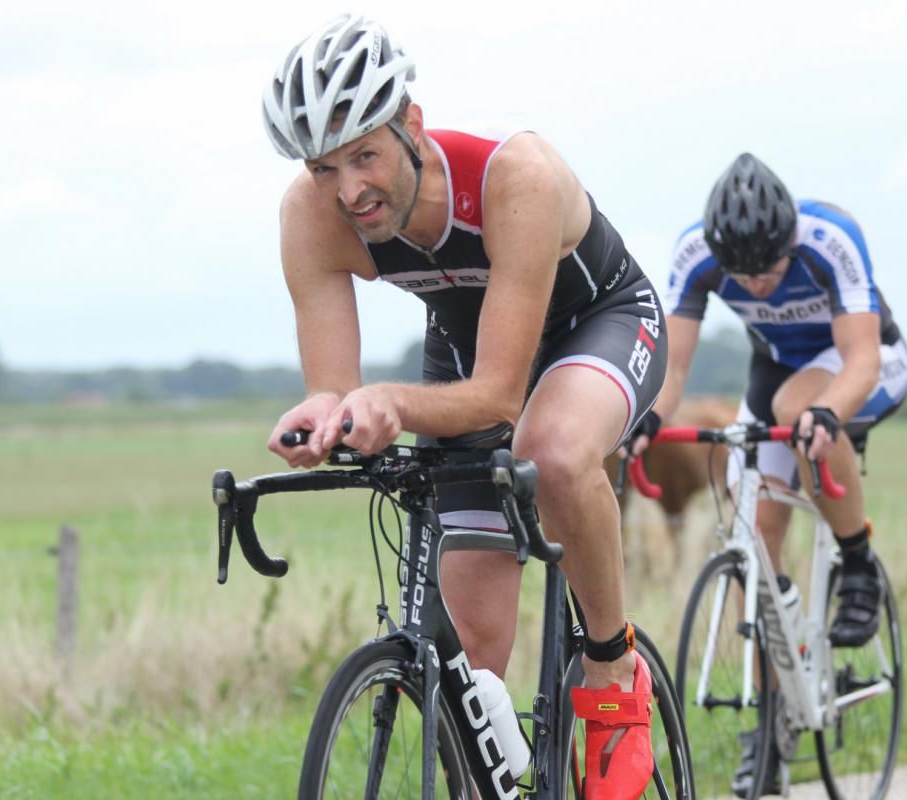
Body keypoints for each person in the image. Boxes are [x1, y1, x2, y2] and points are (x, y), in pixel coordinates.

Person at [261, 14, 667, 797]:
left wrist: (390, 401)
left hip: (596, 323)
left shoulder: (514, 176)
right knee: (469, 667)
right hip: (467, 350)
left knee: (551, 450)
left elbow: (499, 399)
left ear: (412, 125)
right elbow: (332, 386)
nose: (349, 191)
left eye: (365, 155)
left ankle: (612, 667)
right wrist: (322, 419)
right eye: (323, 168)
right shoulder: (309, 215)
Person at [627, 152, 907, 796]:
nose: (756, 286)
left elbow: (861, 360)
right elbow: (673, 369)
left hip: (866, 362)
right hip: (777, 374)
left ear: (789, 242)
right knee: (754, 536)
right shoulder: (695, 254)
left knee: (795, 410)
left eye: (770, 272)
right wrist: (648, 419)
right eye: (742, 276)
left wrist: (828, 413)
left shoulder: (829, 238)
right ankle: (772, 713)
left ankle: (857, 563)